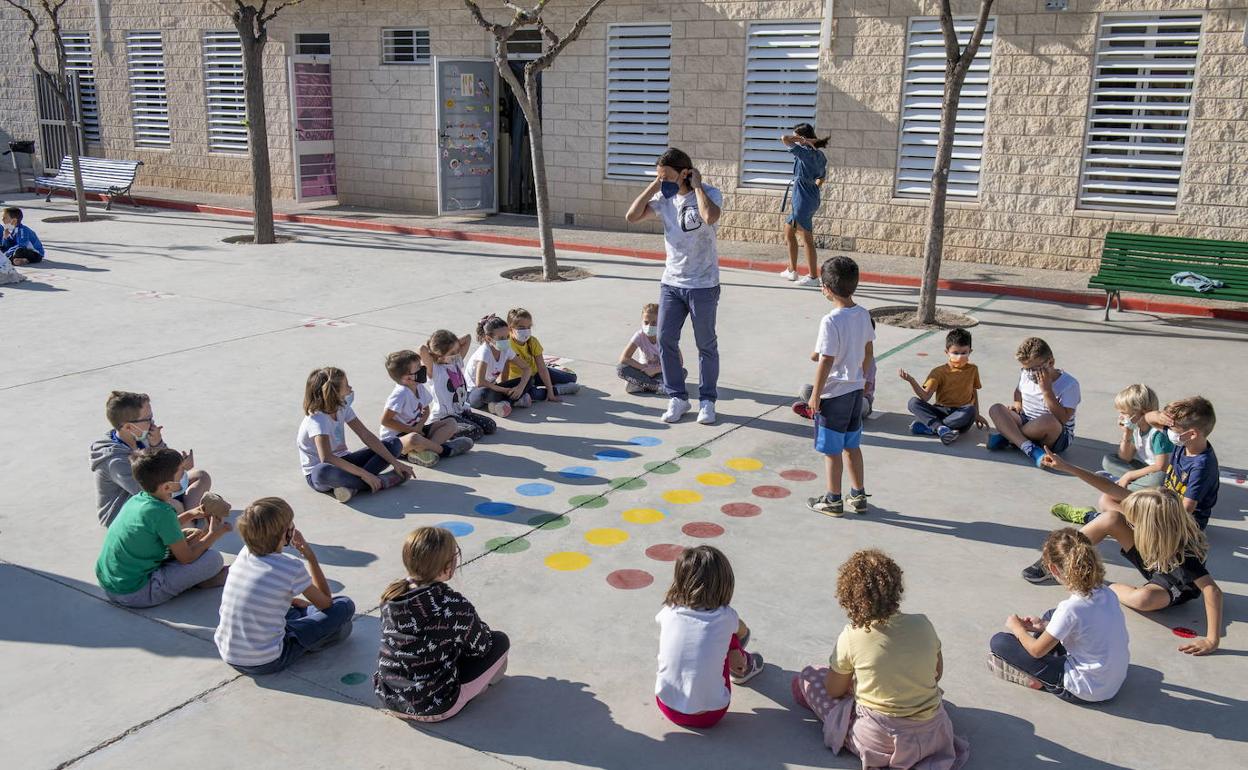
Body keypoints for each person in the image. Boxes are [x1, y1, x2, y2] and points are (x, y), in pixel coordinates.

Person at [793, 550, 968, 768]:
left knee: (809, 677)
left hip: (880, 743)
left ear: (848, 597)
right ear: (896, 589)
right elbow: (936, 673)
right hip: (935, 734)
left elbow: (833, 690)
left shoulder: (852, 636)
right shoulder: (923, 624)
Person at [1034, 488, 1221, 655]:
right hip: (1153, 557)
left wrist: (1212, 640)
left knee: (1143, 599)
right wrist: (1069, 468)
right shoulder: (1160, 518)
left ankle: (1093, 583)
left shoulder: (1184, 554)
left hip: (1173, 584)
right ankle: (1060, 561)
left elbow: (1211, 590)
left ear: (1151, 526)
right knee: (1111, 518)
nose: (1130, 523)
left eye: (1134, 520)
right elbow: (1109, 491)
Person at [624, 147, 724, 426]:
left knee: (706, 344)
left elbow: (710, 216)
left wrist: (698, 186)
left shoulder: (710, 193)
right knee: (666, 340)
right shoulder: (662, 198)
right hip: (672, 283)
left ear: (685, 173)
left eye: (668, 176)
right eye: (659, 176)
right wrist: (655, 184)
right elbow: (631, 216)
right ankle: (677, 397)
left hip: (703, 283)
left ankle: (707, 401)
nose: (663, 182)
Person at [375, 527, 509, 721]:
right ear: (447, 567)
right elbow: (482, 647)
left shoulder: (391, 597)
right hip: (434, 705)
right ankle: (479, 688)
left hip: (389, 697)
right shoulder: (453, 605)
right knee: (499, 642)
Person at [215, 497, 355, 674]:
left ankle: (304, 623)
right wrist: (310, 557)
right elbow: (326, 603)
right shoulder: (290, 567)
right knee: (344, 606)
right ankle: (313, 640)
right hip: (267, 660)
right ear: (284, 533)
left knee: (294, 608)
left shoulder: (245, 554)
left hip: (229, 652)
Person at [989, 528, 1130, 701]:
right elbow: (1085, 625)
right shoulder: (1107, 593)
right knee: (1051, 615)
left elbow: (1036, 651)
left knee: (1000, 642)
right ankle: (1044, 662)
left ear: (1053, 569)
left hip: (1084, 689)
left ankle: (1039, 679)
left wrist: (1018, 629)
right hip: (1112, 681)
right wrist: (1043, 626)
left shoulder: (1071, 608)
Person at [1042, 396, 1219, 532]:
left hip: (1179, 524)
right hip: (1163, 503)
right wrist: (1160, 416)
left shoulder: (1201, 466)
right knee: (1107, 497)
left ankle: (1093, 518)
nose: (1167, 431)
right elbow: (1149, 419)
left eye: (1171, 429)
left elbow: (1186, 510)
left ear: (1192, 434)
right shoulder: (1186, 443)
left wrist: (1148, 517)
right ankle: (1071, 472)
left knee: (1111, 514)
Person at [95, 448, 231, 608]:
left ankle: (189, 577)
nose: (184, 477)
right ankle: (200, 582)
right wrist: (215, 533)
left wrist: (191, 514)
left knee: (191, 536)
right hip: (135, 593)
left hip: (111, 584)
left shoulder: (138, 499)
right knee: (212, 560)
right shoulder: (163, 512)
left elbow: (161, 526)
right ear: (167, 487)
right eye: (181, 474)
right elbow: (186, 558)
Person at [655, 545, 763, 728]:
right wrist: (735, 648)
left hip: (666, 705)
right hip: (709, 716)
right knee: (730, 637)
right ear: (725, 584)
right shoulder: (726, 615)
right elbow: (743, 631)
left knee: (711, 638)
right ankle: (743, 667)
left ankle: (731, 660)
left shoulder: (669, 610)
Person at [805, 256, 875, 517]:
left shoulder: (830, 320)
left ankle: (833, 499)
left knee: (832, 451)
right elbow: (868, 350)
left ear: (826, 288)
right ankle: (857, 495)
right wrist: (863, 379)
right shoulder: (863, 314)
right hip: (856, 390)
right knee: (851, 445)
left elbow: (826, 360)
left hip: (834, 395)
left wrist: (815, 394)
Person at [91, 390, 212, 527]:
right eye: (148, 419)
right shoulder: (116, 461)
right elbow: (149, 492)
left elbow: (164, 466)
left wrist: (158, 444)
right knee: (174, 506)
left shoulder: (140, 437)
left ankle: (189, 519)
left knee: (201, 476)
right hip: (124, 512)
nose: (153, 423)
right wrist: (181, 469)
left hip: (156, 490)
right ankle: (189, 531)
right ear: (128, 426)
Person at [296, 366, 413, 503]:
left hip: (345, 460)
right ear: (334, 393)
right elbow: (327, 458)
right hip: (322, 472)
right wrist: (365, 474)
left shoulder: (342, 407)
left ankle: (352, 487)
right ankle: (381, 481)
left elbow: (366, 435)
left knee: (394, 443)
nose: (350, 388)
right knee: (322, 471)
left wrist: (395, 463)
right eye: (346, 385)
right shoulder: (317, 420)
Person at [986, 337, 1081, 467]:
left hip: (1055, 434)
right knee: (996, 409)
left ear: (1051, 362)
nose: (1030, 373)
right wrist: (1017, 404)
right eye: (1026, 369)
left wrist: (1047, 391)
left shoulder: (1069, 384)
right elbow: (1018, 392)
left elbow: (1062, 419)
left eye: (1035, 368)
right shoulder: (1026, 375)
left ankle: (1010, 436)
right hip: (1026, 420)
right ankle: (1029, 448)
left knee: (1048, 420)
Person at [379, 349, 472, 468]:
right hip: (397, 440)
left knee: (451, 423)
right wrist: (410, 430)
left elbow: (426, 409)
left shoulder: (419, 386)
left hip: (416, 430)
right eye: (418, 367)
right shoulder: (400, 394)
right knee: (414, 439)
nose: (423, 368)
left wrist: (419, 426)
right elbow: (385, 421)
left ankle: (425, 450)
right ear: (408, 378)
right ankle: (445, 450)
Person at [899, 328, 987, 445]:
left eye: (964, 353)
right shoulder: (938, 372)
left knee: (970, 409)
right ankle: (942, 429)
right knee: (913, 402)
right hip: (940, 409)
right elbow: (925, 397)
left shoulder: (973, 369)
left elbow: (973, 391)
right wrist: (912, 381)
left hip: (960, 414)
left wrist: (977, 414)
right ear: (947, 352)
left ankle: (934, 427)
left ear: (970, 351)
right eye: (955, 353)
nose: (960, 356)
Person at [424, 329, 497, 441]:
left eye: (457, 350)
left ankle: (462, 424)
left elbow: (467, 337)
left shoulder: (455, 361)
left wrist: (452, 344)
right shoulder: (435, 370)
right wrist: (435, 350)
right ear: (440, 355)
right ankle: (441, 431)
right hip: (445, 417)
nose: (457, 354)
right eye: (452, 353)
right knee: (476, 431)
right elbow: (422, 350)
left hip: (461, 412)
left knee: (491, 426)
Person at [778, 124, 828, 286]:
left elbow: (784, 139)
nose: (795, 140)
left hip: (803, 198)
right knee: (788, 231)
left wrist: (801, 140)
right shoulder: (819, 155)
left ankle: (813, 277)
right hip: (809, 195)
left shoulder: (804, 153)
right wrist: (813, 187)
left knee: (806, 237)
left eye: (797, 137)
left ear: (803, 138)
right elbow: (821, 177)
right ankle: (792, 270)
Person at [1102, 384, 1172, 490]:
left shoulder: (1158, 434)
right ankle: (1133, 484)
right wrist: (1127, 434)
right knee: (1108, 460)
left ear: (1143, 412)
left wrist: (1130, 475)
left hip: (1165, 474)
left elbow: (1161, 466)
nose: (1120, 417)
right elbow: (1125, 458)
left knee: (1158, 479)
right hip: (1148, 470)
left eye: (1124, 413)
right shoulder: (1136, 428)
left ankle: (1125, 485)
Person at [506, 307, 579, 401]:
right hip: (519, 380)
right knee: (532, 394)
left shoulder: (532, 341)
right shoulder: (507, 344)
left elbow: (542, 368)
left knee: (572, 377)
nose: (526, 330)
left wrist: (550, 391)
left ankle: (552, 373)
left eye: (529, 327)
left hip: (535, 373)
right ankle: (559, 389)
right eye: (521, 327)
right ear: (510, 328)